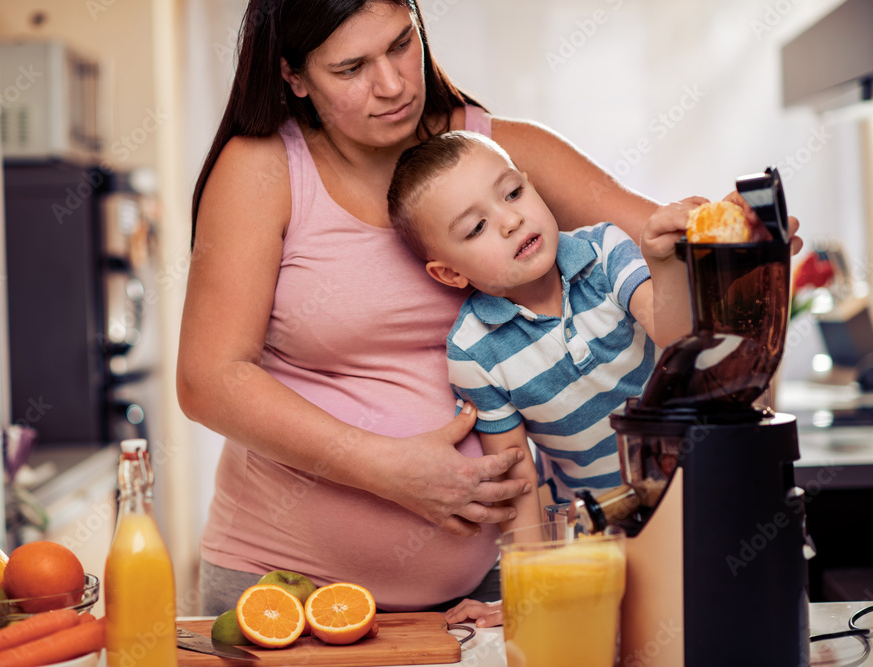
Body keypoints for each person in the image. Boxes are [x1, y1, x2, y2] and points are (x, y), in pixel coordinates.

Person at [176, 0, 802, 615]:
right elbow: (209, 381)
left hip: (489, 593)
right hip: (290, 588)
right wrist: (388, 469)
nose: (393, 85)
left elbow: (665, 247)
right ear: (293, 74)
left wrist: (744, 254)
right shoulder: (263, 170)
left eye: (401, 43)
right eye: (351, 68)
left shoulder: (500, 152)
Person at [387, 130, 703, 533]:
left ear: (531, 185)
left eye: (513, 193)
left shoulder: (605, 251)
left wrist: (664, 266)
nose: (511, 220)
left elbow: (676, 337)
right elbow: (518, 487)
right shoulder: (472, 354)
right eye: (476, 227)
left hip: (703, 486)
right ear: (449, 273)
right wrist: (533, 586)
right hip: (604, 533)